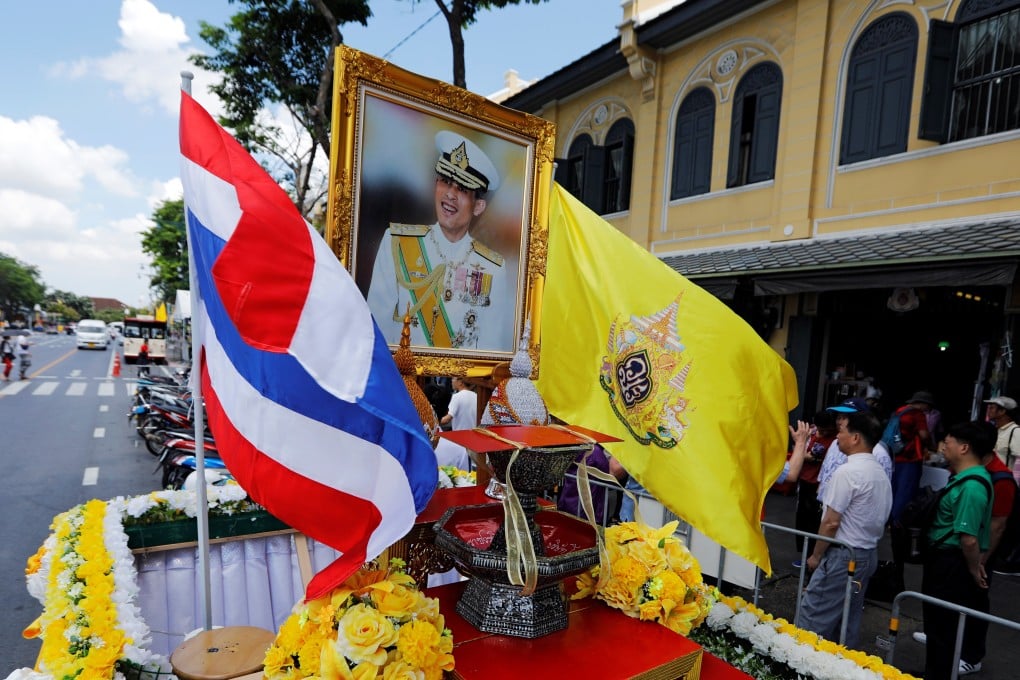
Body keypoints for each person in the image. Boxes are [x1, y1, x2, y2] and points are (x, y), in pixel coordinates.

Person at [367, 131, 511, 352]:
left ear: (478, 206)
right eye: (445, 182)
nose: (451, 194)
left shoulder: (494, 268)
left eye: (462, 189)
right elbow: (376, 329)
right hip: (402, 381)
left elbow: (491, 347)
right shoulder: (396, 243)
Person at [798, 410, 892, 649]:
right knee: (846, 620)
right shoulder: (880, 472)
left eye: (841, 431)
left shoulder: (848, 472)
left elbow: (830, 522)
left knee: (813, 618)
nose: (837, 436)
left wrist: (816, 556)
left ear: (855, 437)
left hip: (842, 556)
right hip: (867, 554)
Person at [921, 421, 994, 679]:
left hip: (951, 564)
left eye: (948, 441)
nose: (944, 446)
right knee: (937, 625)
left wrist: (975, 569)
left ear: (964, 448)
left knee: (944, 628)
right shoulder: (963, 478)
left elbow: (969, 539)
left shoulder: (972, 486)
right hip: (945, 560)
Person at [795, 411, 838, 559]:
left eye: (826, 429)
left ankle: (814, 554)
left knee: (816, 521)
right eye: (821, 429)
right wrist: (806, 456)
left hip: (820, 484)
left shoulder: (836, 438)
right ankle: (803, 554)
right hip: (806, 479)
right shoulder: (811, 432)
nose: (822, 432)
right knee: (803, 518)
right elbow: (800, 453)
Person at [984, 395, 1020, 475]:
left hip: (1003, 480)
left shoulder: (1015, 431)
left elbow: (1019, 462)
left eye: (992, 408)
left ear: (1002, 411)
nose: (988, 411)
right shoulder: (993, 430)